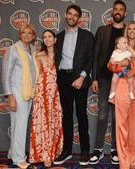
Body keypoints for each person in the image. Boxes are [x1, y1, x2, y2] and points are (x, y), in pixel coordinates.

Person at [53, 4, 95, 166]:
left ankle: (85, 151)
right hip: (63, 78)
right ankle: (67, 151)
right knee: (67, 116)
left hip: (80, 79)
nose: (72, 17)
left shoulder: (87, 36)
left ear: (79, 18)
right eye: (69, 14)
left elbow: (91, 58)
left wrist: (82, 77)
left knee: (82, 115)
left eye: (75, 15)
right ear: (65, 15)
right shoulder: (59, 37)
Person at [90, 0, 127, 165]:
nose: (118, 11)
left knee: (118, 117)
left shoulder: (129, 31)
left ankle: (115, 149)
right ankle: (98, 149)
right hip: (104, 79)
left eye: (121, 9)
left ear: (124, 13)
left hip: (123, 80)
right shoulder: (102, 30)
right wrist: (95, 78)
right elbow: (95, 55)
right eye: (116, 9)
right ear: (112, 12)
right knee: (103, 114)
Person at [108, 21, 135, 169]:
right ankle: (123, 164)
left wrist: (134, 71)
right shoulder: (119, 46)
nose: (131, 31)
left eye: (134, 29)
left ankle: (132, 163)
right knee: (121, 128)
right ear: (125, 31)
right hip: (121, 88)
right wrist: (121, 66)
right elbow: (110, 65)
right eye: (129, 29)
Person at [2, 23, 37, 169]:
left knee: (18, 124)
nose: (27, 35)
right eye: (24, 32)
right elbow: (5, 74)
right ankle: (19, 159)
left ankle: (12, 153)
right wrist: (10, 96)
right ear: (20, 34)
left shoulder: (33, 50)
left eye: (30, 33)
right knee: (20, 125)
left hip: (28, 92)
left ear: (33, 36)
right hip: (17, 92)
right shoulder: (13, 49)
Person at [29, 30, 63, 167]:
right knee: (42, 122)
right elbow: (35, 76)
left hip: (56, 93)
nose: (47, 39)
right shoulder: (38, 55)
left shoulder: (61, 55)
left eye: (50, 37)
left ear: (55, 39)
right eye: (44, 37)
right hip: (42, 92)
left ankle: (52, 153)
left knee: (53, 121)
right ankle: (42, 154)